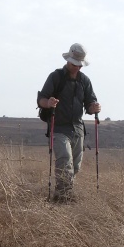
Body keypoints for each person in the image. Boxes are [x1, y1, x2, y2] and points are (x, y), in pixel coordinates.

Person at [37, 43, 101, 202]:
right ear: (68, 61)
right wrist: (49, 103)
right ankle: (64, 198)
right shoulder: (56, 77)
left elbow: (90, 105)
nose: (77, 68)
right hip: (58, 128)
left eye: (80, 65)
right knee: (65, 161)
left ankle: (61, 196)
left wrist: (94, 108)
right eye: (75, 64)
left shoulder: (85, 81)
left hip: (78, 129)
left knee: (75, 167)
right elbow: (41, 100)